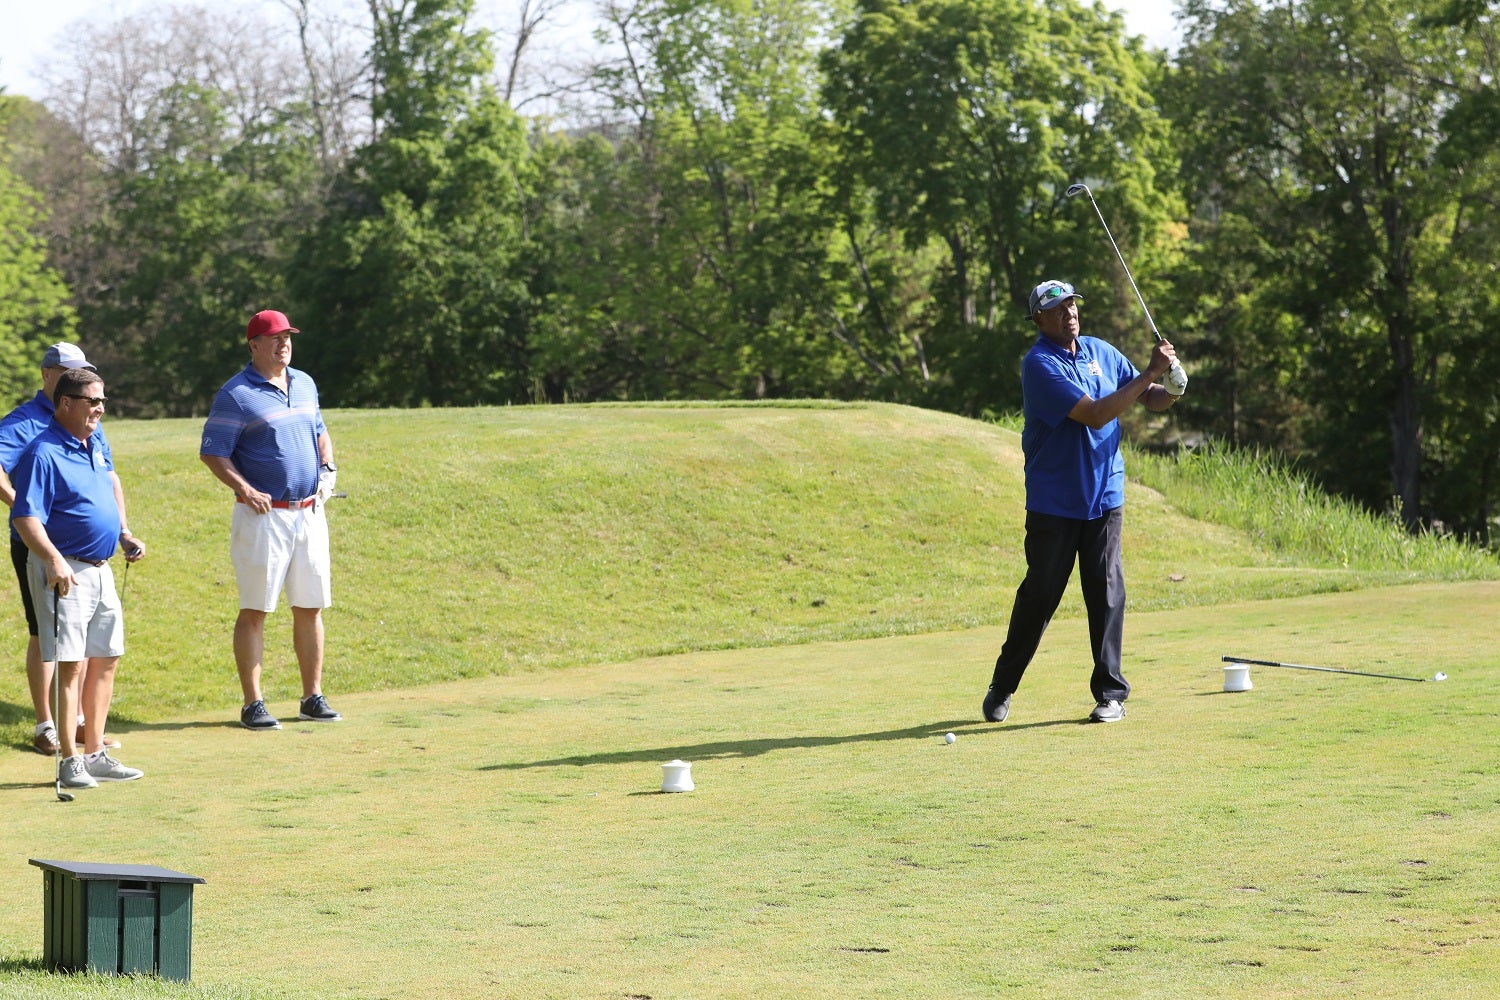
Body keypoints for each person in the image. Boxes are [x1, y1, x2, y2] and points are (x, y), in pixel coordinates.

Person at [981, 279, 1186, 725]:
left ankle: (1111, 694)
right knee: (1040, 596)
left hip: (1105, 495)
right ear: (1039, 319)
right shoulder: (1038, 364)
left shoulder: (1100, 350)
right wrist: (1151, 373)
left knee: (1107, 592)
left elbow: (1147, 398)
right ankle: (1003, 684)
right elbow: (1094, 414)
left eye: (1072, 305)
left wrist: (1170, 386)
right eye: (1058, 309)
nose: (1069, 313)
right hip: (1055, 501)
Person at [199, 309, 342, 730]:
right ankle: (253, 703)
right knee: (255, 609)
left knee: (311, 606)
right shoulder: (236, 394)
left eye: (288, 337)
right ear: (254, 345)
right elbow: (213, 452)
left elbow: (319, 430)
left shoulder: (305, 383)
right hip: (264, 517)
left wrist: (328, 469)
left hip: (308, 512)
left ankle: (311, 696)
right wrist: (243, 488)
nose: (283, 344)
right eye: (274, 338)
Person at [0, 343, 142, 756]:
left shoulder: (88, 423)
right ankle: (48, 725)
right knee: (46, 637)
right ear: (48, 375)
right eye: (67, 371)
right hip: (44, 550)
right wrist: (28, 506)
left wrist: (123, 529)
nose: (96, 404)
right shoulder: (25, 423)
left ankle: (81, 729)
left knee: (93, 651)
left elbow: (108, 478)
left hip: (92, 556)